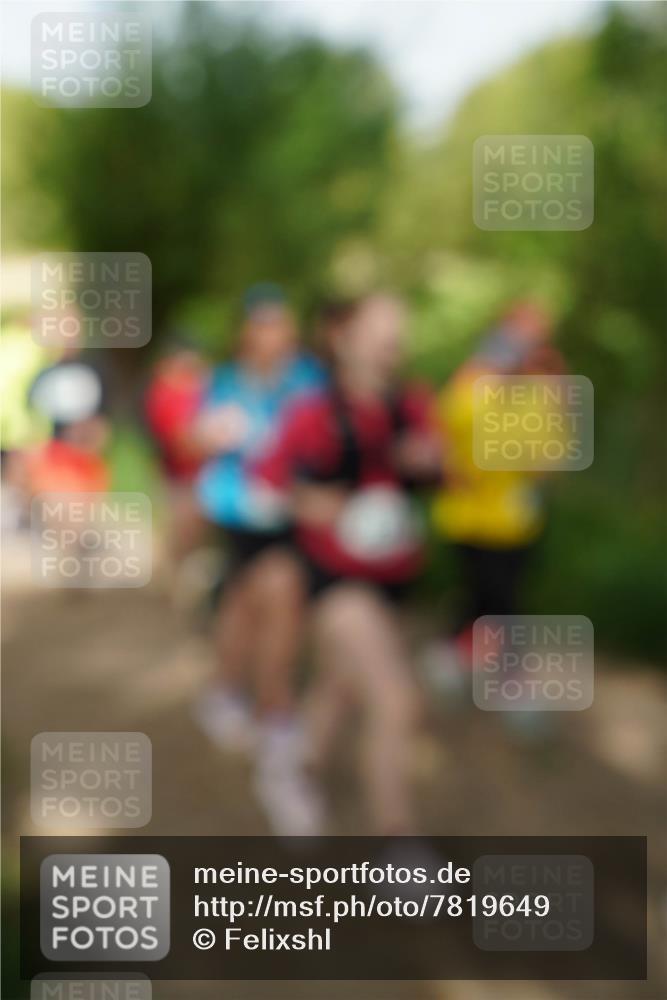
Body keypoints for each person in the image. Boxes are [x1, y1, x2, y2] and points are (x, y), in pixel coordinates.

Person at [253, 294, 441, 834]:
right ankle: (398, 841)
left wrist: (431, 463)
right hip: (336, 579)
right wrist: (308, 502)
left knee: (338, 684)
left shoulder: (411, 406)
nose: (391, 345)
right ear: (344, 338)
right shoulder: (312, 413)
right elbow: (266, 483)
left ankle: (295, 769)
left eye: (398, 334)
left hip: (396, 577)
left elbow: (444, 470)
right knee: (396, 699)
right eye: (379, 332)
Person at [192, 284, 327, 834]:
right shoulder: (224, 379)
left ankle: (274, 715)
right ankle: (237, 697)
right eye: (264, 324)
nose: (275, 335)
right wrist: (209, 434)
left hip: (291, 515)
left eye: (282, 324)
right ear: (247, 330)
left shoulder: (309, 380)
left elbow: (324, 441)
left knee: (280, 600)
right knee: (245, 606)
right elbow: (192, 440)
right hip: (237, 512)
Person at [429, 301, 565, 683]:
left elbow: (547, 461)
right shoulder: (470, 382)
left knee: (502, 597)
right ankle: (467, 660)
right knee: (475, 593)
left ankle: (501, 671)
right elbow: (442, 434)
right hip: (466, 514)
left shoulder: (541, 391)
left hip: (512, 520)